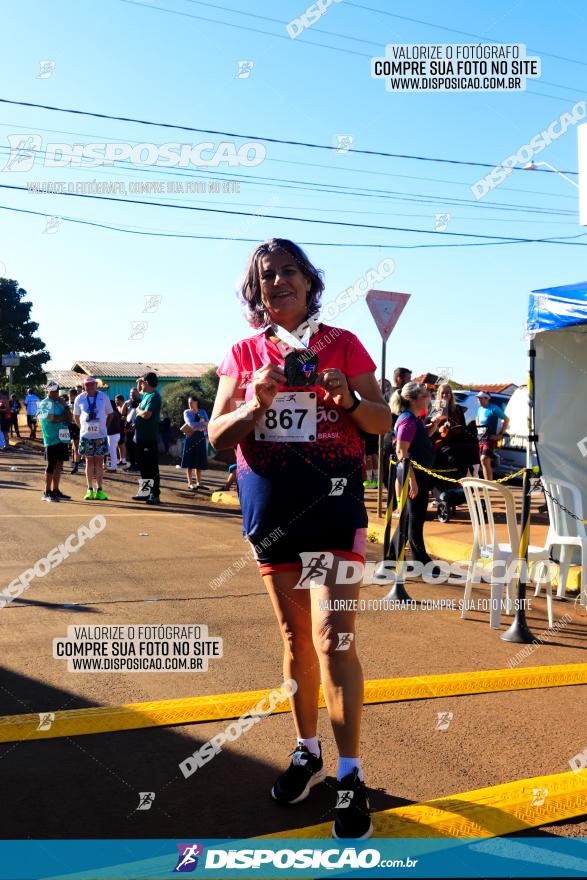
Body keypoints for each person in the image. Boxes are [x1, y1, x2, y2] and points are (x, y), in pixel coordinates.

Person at [209, 238, 391, 839]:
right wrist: (253, 403)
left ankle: (350, 773)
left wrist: (349, 397)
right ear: (256, 292)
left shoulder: (341, 343)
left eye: (290, 271)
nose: (278, 281)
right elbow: (216, 435)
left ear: (310, 282)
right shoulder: (241, 353)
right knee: (295, 640)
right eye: (267, 276)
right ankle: (306, 749)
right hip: (271, 510)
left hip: (333, 509)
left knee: (334, 637)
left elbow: (382, 422)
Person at [389, 382, 445, 567]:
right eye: (424, 396)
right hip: (412, 474)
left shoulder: (413, 419)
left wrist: (433, 427)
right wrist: (412, 480)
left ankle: (392, 557)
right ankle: (421, 561)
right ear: (411, 400)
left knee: (409, 517)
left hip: (416, 473)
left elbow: (417, 441)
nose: (428, 398)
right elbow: (401, 451)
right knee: (415, 518)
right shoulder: (407, 420)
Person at [73, 377, 113, 500]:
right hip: (86, 436)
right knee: (89, 462)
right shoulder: (79, 398)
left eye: (92, 384)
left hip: (100, 435)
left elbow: (110, 414)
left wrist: (104, 427)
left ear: (96, 385)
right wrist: (82, 428)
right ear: (84, 386)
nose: (89, 387)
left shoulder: (103, 397)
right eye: (87, 385)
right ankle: (90, 489)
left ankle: (100, 489)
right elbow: (76, 416)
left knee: (100, 463)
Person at [38, 382, 72, 502]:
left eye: (56, 391)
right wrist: (63, 417)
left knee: (59, 465)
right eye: (52, 391)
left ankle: (55, 490)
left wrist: (66, 406)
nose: (55, 393)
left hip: (63, 437)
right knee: (51, 464)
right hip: (51, 438)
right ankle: (47, 491)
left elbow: (70, 418)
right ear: (47, 391)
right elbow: (51, 419)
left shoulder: (60, 403)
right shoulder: (45, 403)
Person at [133, 372, 162, 505]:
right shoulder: (146, 394)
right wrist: (140, 381)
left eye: (143, 382)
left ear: (147, 383)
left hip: (149, 438)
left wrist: (138, 411)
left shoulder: (154, 396)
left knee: (151, 467)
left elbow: (147, 414)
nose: (141, 385)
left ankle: (155, 494)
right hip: (140, 437)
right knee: (143, 466)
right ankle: (145, 492)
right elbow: (139, 391)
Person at [475, 391, 510, 481]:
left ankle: (488, 484)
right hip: (481, 438)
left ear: (487, 399)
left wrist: (500, 434)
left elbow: (506, 419)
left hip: (490, 439)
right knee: (484, 462)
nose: (478, 399)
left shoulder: (493, 409)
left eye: (480, 398)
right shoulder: (479, 409)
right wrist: (478, 428)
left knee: (484, 459)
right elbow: (477, 419)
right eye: (477, 398)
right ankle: (488, 483)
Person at [180, 395, 209, 490]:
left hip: (200, 438)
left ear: (196, 402)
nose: (190, 404)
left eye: (191, 402)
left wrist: (201, 425)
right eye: (189, 403)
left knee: (199, 460)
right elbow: (190, 424)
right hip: (191, 437)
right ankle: (190, 483)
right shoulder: (187, 412)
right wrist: (202, 424)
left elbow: (208, 422)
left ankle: (199, 483)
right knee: (190, 461)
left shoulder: (202, 411)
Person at [123, 387, 141, 472]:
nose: (132, 395)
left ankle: (137, 465)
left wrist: (137, 424)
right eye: (131, 393)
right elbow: (123, 413)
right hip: (128, 427)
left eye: (134, 393)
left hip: (137, 428)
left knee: (136, 447)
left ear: (138, 394)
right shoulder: (129, 403)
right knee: (128, 445)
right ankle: (131, 464)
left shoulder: (140, 402)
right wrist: (125, 403)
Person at [106, 399, 122, 472]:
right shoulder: (115, 412)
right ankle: (111, 467)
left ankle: (113, 468)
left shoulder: (112, 413)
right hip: (114, 434)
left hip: (113, 435)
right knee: (112, 451)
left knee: (112, 452)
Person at [114, 395, 128, 466]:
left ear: (121, 400)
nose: (116, 401)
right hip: (117, 428)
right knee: (119, 444)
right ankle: (121, 460)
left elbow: (126, 417)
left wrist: (124, 418)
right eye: (115, 400)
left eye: (117, 400)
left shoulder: (125, 407)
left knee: (122, 444)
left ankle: (124, 460)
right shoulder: (116, 408)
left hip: (123, 428)